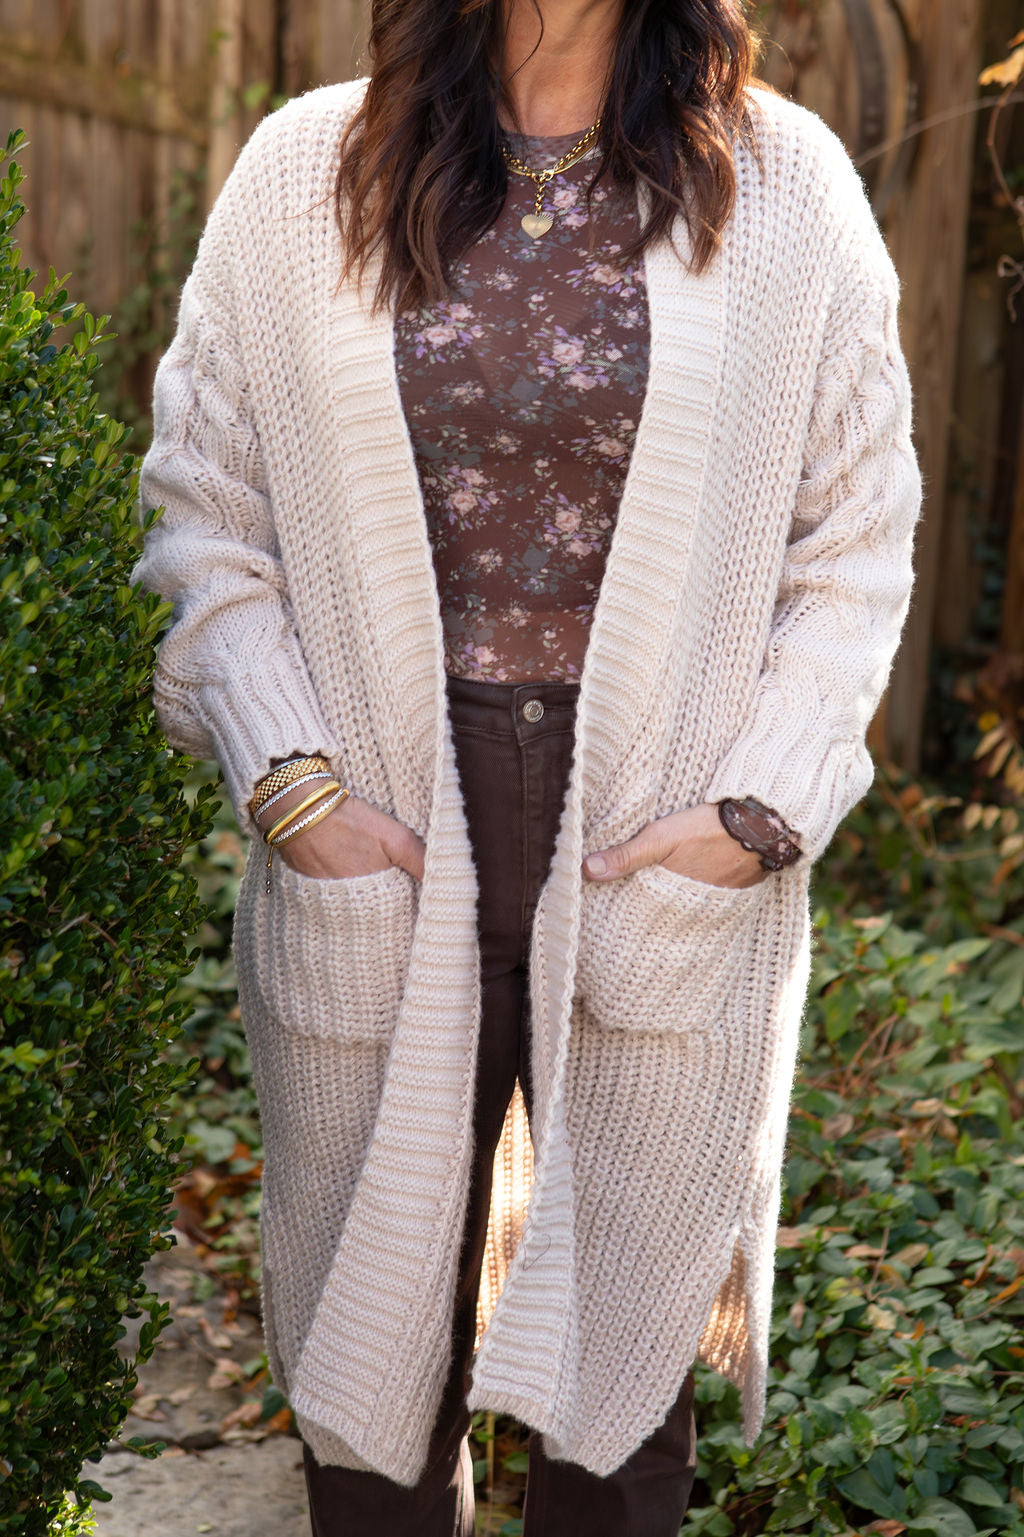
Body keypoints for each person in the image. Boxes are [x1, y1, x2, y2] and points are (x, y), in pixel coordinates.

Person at [132, 0, 922, 1527]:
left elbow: (858, 537)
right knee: (370, 1389)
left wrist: (760, 808)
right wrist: (289, 777)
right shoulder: (312, 173)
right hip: (381, 835)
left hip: (659, 845)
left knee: (623, 1412)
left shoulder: (786, 190)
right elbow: (205, 510)